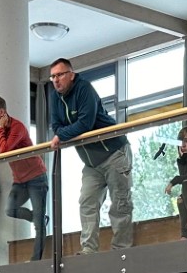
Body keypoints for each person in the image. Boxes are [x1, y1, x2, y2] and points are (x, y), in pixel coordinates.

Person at [48, 58, 134, 252]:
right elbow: (55, 126)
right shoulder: (54, 97)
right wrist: (60, 133)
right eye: (53, 76)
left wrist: (61, 135)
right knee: (87, 203)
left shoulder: (84, 88)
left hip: (114, 153)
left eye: (60, 75)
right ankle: (89, 250)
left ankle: (122, 250)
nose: (56, 80)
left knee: (120, 203)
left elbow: (85, 123)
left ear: (71, 75)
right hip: (91, 163)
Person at [0, 95, 49, 261]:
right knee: (10, 209)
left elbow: (5, 150)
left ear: (2, 112)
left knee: (38, 226)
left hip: (36, 177)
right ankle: (38, 216)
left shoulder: (17, 127)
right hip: (20, 180)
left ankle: (36, 260)